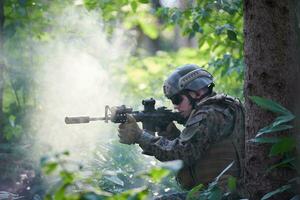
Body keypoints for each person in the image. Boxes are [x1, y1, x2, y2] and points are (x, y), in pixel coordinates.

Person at [118, 64, 245, 199]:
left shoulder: (209, 113)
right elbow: (197, 149)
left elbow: (183, 154)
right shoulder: (221, 108)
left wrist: (141, 136)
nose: (175, 106)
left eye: (177, 99)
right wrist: (171, 134)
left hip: (222, 195)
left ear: (197, 93)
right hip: (219, 192)